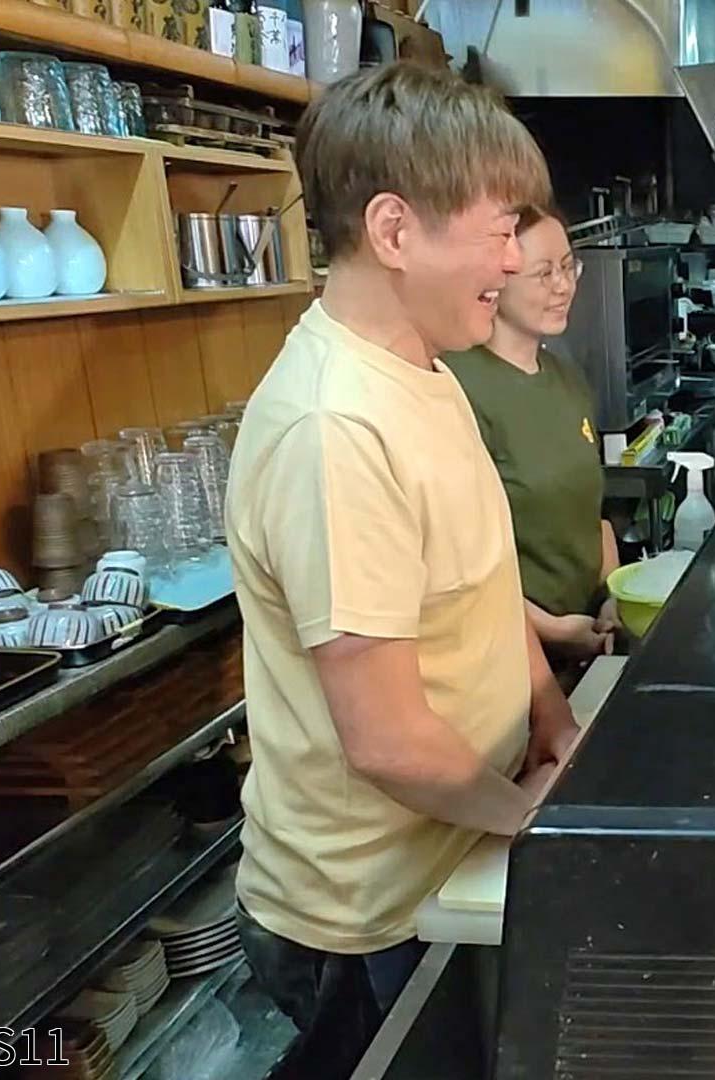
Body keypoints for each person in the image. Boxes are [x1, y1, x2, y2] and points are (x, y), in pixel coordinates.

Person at [225, 63, 578, 1076]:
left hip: (451, 851)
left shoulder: (423, 366)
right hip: (365, 918)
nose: (513, 262)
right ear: (392, 230)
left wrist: (553, 724)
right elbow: (384, 739)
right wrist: (537, 828)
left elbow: (478, 581)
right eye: (497, 229)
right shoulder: (334, 425)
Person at [444, 208, 620, 670]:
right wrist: (553, 630)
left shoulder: (566, 379)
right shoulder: (456, 387)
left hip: (586, 645)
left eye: (568, 267)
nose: (564, 286)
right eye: (544, 273)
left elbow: (593, 517)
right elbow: (459, 569)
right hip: (508, 661)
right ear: (497, 278)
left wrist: (612, 596)